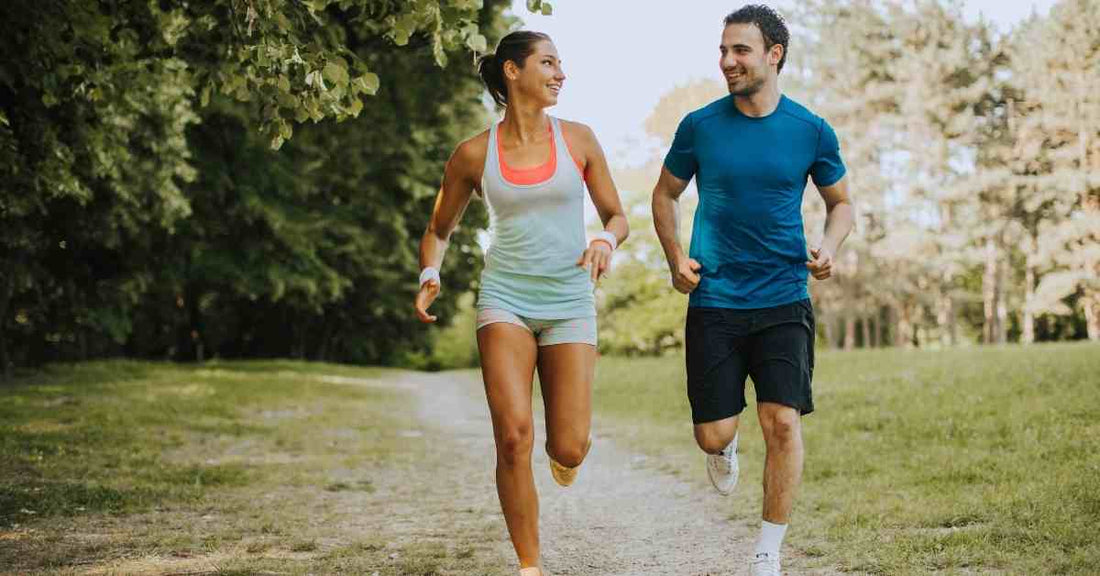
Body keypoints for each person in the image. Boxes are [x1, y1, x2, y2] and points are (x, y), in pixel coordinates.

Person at [414, 30, 628, 576]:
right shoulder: (473, 153)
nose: (561, 73)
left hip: (568, 298)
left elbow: (615, 215)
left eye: (561, 64)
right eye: (549, 62)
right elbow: (439, 228)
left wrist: (604, 240)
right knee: (512, 436)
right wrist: (430, 270)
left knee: (570, 446)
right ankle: (529, 566)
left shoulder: (578, 139)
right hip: (505, 297)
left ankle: (565, 457)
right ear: (513, 71)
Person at [650, 5, 854, 575]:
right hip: (715, 298)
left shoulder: (810, 129)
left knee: (782, 421)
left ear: (774, 55)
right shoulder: (700, 126)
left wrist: (830, 247)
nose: (727, 61)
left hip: (784, 295)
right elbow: (663, 195)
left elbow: (842, 204)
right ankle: (724, 446)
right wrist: (674, 259)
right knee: (713, 434)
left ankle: (767, 551)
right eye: (723, 50)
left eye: (739, 50)